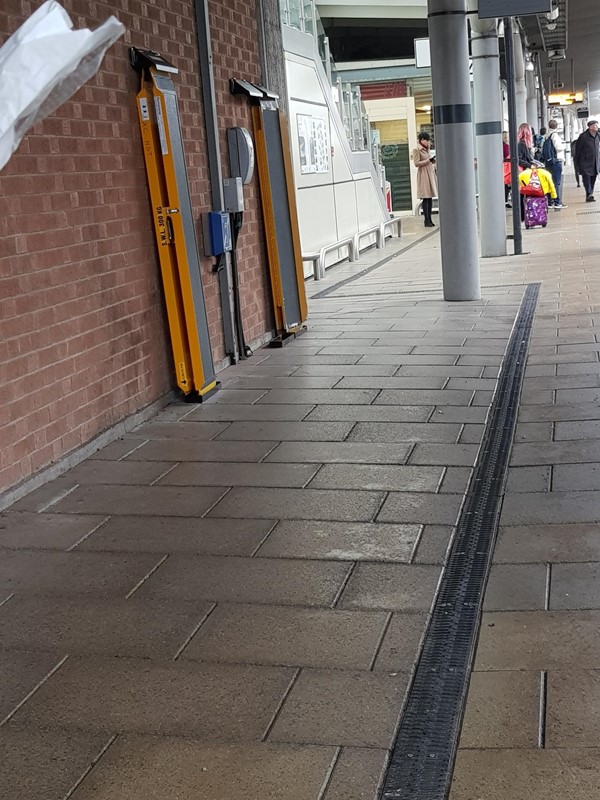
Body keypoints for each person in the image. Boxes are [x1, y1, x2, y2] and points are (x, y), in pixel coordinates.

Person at [413, 131, 437, 227]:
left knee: (430, 197)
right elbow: (416, 163)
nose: (428, 142)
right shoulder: (417, 150)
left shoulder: (427, 149)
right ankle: (426, 220)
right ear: (422, 140)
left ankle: (430, 219)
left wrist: (432, 161)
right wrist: (428, 161)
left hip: (429, 173)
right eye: (427, 140)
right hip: (423, 174)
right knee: (426, 198)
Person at [543, 119, 567, 209]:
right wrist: (564, 145)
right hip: (556, 161)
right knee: (557, 182)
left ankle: (550, 202)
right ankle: (557, 202)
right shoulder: (555, 135)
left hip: (549, 161)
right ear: (556, 126)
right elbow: (558, 147)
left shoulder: (547, 135)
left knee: (550, 182)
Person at [575, 119, 600, 202]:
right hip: (585, 162)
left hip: (595, 162)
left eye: (597, 125)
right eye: (595, 125)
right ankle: (589, 193)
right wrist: (577, 163)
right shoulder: (583, 136)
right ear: (590, 127)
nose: (596, 127)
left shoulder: (598, 135)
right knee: (586, 179)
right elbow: (578, 150)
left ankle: (590, 194)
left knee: (593, 178)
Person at [517, 123, 534, 220]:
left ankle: (526, 215)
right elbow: (518, 159)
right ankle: (523, 216)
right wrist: (529, 165)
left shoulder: (524, 144)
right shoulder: (522, 144)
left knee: (526, 194)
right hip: (523, 173)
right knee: (524, 194)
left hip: (526, 172)